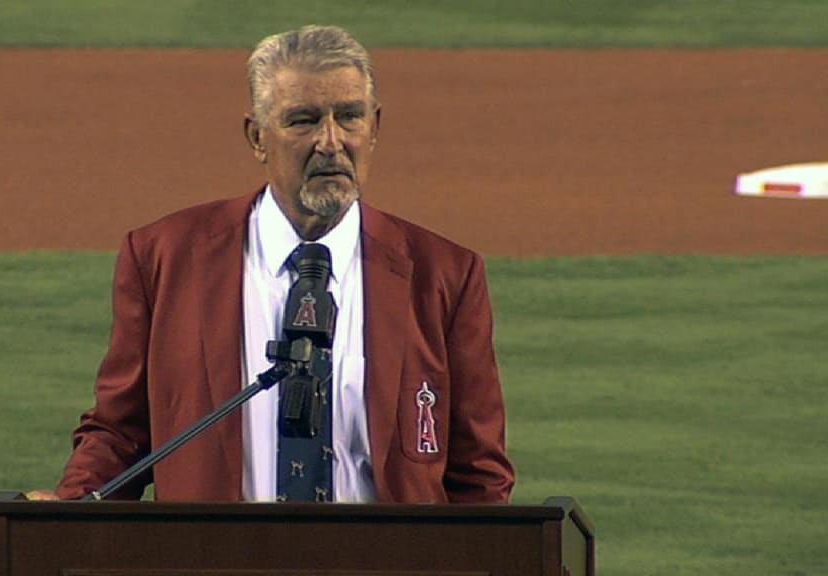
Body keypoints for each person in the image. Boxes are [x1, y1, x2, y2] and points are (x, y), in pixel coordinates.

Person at [27, 25, 514, 503]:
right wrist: (69, 513)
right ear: (257, 137)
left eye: (349, 117)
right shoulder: (165, 257)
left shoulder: (443, 274)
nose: (330, 141)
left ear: (375, 127)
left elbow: (479, 475)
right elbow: (120, 433)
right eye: (303, 120)